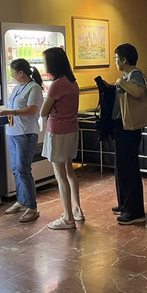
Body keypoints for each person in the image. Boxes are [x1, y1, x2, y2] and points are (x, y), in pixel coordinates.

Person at [40, 47, 83, 230]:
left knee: (60, 175)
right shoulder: (72, 82)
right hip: (72, 129)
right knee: (70, 171)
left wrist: (51, 109)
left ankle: (68, 218)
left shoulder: (57, 84)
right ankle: (77, 210)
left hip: (57, 131)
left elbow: (43, 111)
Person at [0, 59, 44, 223]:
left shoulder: (34, 88)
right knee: (16, 169)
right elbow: (14, 107)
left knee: (24, 169)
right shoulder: (17, 87)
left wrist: (10, 111)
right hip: (13, 132)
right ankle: (21, 200)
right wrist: (2, 110)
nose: (12, 75)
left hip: (26, 133)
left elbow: (31, 110)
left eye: (13, 72)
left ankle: (32, 206)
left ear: (21, 73)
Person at [110, 43, 147, 225]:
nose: (115, 61)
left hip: (130, 129)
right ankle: (125, 203)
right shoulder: (125, 76)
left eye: (116, 58)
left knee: (129, 167)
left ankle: (135, 211)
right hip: (121, 127)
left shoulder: (135, 74)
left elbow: (139, 93)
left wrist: (121, 83)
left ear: (124, 60)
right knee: (122, 167)